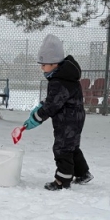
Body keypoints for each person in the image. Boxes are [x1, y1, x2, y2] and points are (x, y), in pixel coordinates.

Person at [23, 33, 93, 191]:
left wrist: (36, 117)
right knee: (72, 146)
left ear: (54, 63)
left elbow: (52, 105)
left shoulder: (58, 81)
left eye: (44, 64)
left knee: (62, 149)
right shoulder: (66, 77)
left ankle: (62, 181)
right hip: (75, 117)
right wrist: (42, 106)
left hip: (67, 120)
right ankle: (83, 173)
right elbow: (56, 100)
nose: (42, 67)